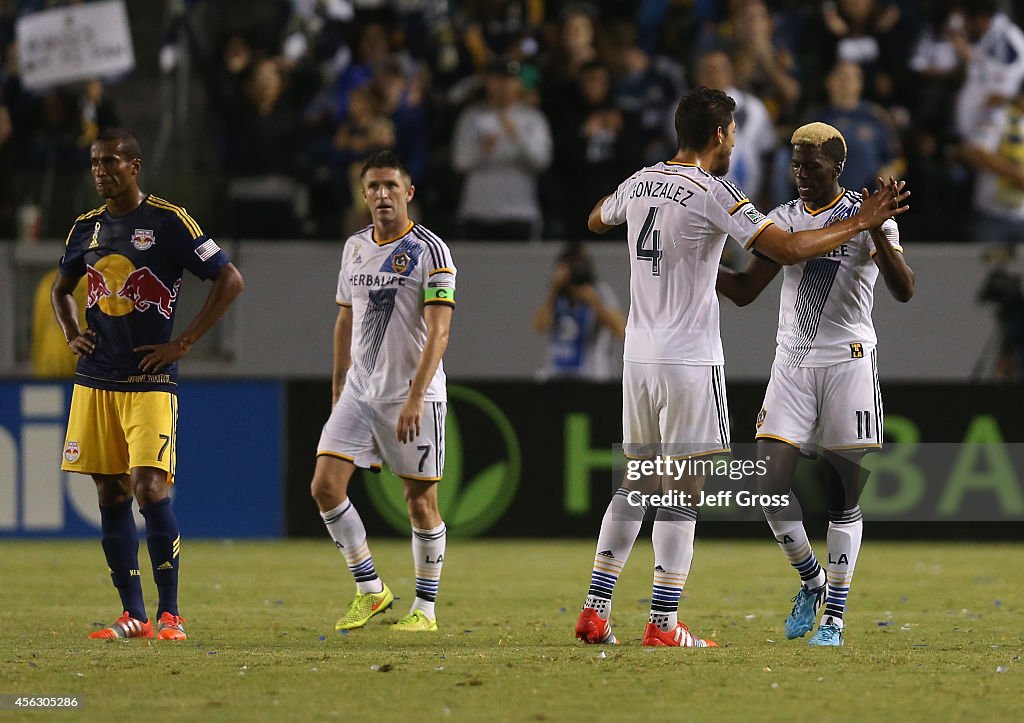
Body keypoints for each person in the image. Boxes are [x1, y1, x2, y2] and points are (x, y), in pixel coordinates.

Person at [574, 87, 908, 649]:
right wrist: (863, 222)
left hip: (640, 353)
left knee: (634, 483)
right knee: (681, 490)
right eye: (732, 133)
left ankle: (595, 610)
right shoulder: (714, 191)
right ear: (720, 136)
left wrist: (676, 256)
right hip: (688, 357)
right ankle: (662, 622)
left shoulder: (638, 181)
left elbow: (595, 219)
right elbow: (791, 249)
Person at [717, 122, 915, 647]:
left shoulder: (867, 212)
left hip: (849, 362)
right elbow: (742, 291)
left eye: (812, 165)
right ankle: (813, 581)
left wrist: (873, 228)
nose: (801, 174)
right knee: (768, 487)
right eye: (796, 163)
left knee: (843, 498)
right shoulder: (782, 220)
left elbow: (904, 290)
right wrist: (687, 267)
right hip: (792, 364)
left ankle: (836, 616)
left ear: (837, 167)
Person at [51, 128, 245, 640]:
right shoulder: (85, 229)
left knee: (148, 487)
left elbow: (230, 279)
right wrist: (73, 332)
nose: (100, 170)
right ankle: (132, 614)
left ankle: (171, 613)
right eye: (94, 162)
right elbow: (60, 288)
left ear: (135, 166)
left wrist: (183, 343)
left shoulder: (168, 221)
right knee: (111, 494)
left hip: (150, 382)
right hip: (96, 382)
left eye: (110, 161)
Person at [310, 150, 455, 633]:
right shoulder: (353, 248)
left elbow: (438, 333)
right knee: (325, 487)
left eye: (391, 185)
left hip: (411, 394)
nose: (381, 195)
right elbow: (345, 317)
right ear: (363, 193)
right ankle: (370, 589)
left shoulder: (431, 251)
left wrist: (415, 396)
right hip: (358, 391)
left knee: (419, 502)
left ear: (408, 192)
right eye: (372, 186)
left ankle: (426, 610)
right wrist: (338, 386)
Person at [533, 243, 625, 382]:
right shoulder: (557, 294)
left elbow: (620, 330)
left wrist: (595, 303)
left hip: (592, 374)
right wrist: (554, 290)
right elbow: (540, 326)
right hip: (556, 373)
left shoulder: (600, 292)